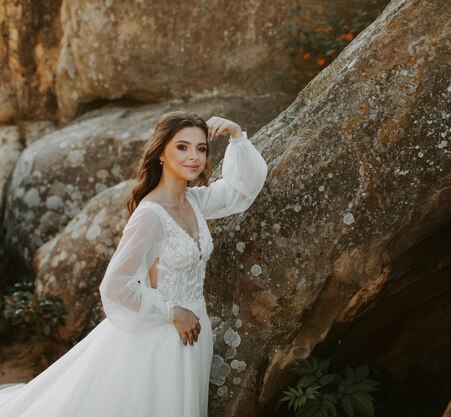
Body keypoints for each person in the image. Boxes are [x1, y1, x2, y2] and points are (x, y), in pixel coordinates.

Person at [0, 110, 268, 417]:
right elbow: (114, 286)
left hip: (194, 333)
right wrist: (172, 312)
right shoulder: (150, 214)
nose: (194, 156)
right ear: (162, 154)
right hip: (159, 338)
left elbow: (240, 191)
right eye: (182, 146)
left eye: (201, 148)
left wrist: (237, 135)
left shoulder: (193, 202)